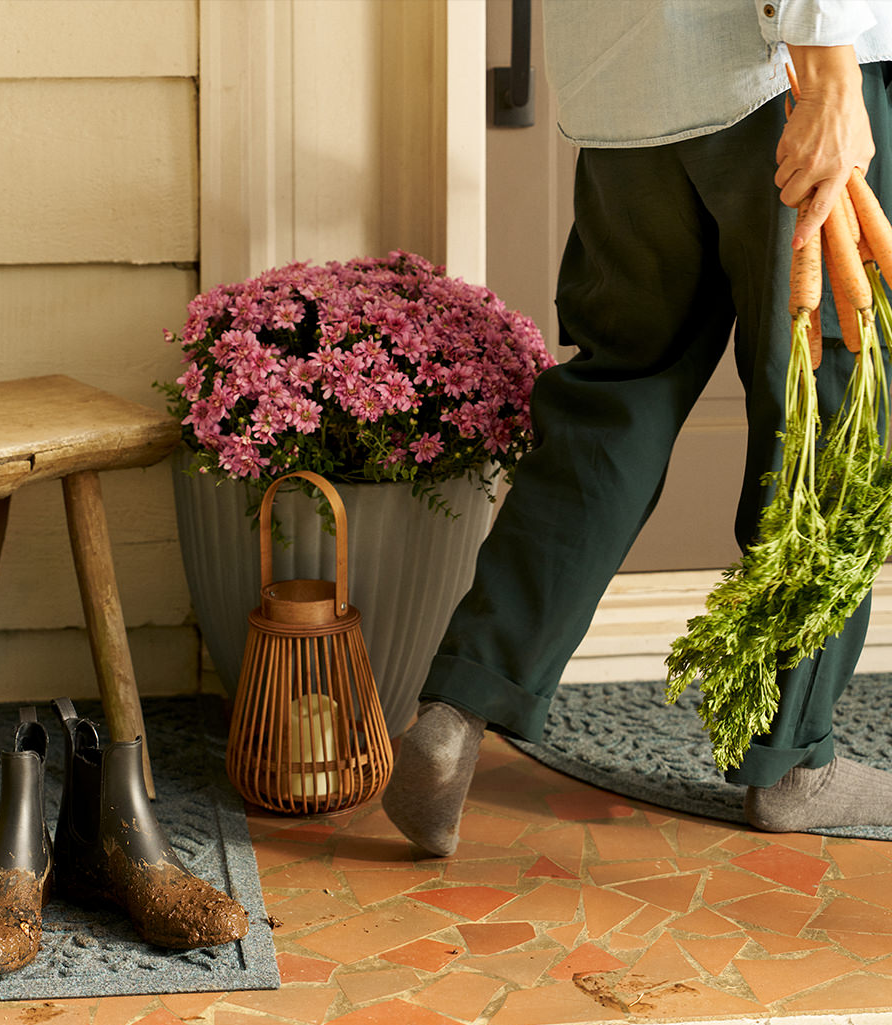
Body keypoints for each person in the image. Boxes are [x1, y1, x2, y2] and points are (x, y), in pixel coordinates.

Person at [382, 0, 892, 857]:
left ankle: (458, 707)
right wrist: (830, 76)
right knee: (821, 416)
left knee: (612, 401)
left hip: (625, 96)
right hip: (781, 71)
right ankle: (792, 765)